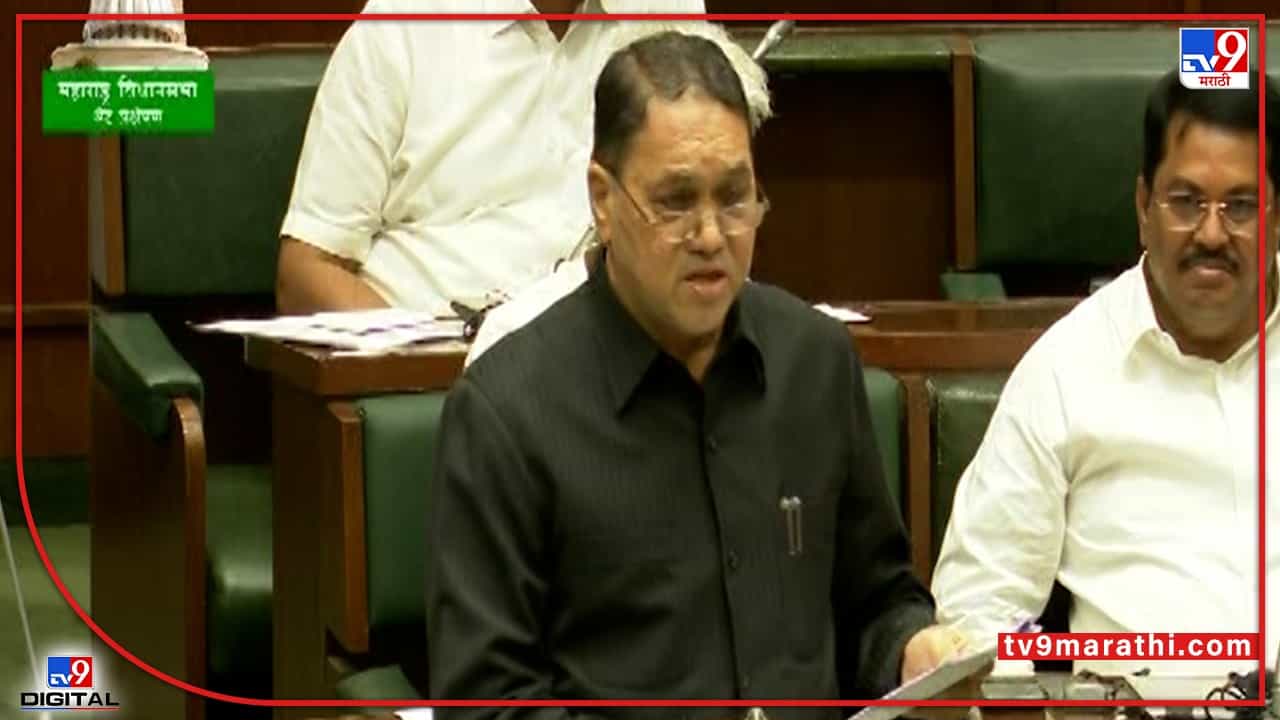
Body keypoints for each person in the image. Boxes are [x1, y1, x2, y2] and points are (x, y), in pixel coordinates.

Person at [426, 31, 972, 718]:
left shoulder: (816, 362)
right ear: (602, 200)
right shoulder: (507, 411)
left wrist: (911, 651)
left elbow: (875, 601)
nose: (711, 235)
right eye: (676, 201)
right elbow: (487, 704)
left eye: (735, 198)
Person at [931, 69, 1280, 676]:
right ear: (1144, 207)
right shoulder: (1065, 370)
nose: (1211, 233)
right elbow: (979, 610)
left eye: (1241, 206)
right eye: (1185, 202)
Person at [275, 0, 766, 317]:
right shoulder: (403, 25)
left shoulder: (663, 13)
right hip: (434, 375)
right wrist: (441, 366)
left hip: (619, 371)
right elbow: (306, 272)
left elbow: (711, 213)